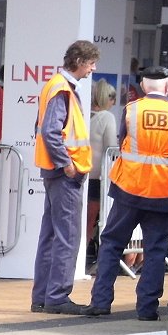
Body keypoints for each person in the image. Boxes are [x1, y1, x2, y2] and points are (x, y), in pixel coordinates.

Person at [87, 67, 168, 320]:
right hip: (161, 190)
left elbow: (122, 140)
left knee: (111, 244)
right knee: (155, 250)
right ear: (167, 86)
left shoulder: (131, 110)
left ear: (143, 86)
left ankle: (100, 302)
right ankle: (147, 309)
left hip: (129, 188)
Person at [30, 39, 99, 315]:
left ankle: (43, 297)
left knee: (50, 235)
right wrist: (67, 164)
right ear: (80, 62)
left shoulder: (55, 85)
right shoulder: (63, 90)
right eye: (92, 63)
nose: (93, 69)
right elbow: (51, 132)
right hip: (64, 173)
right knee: (67, 235)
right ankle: (57, 296)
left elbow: (44, 128)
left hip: (53, 171)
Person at [86, 78, 118, 262]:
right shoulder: (107, 117)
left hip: (82, 172)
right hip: (98, 177)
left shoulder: (83, 115)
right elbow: (111, 148)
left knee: (82, 219)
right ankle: (84, 256)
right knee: (92, 220)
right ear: (108, 98)